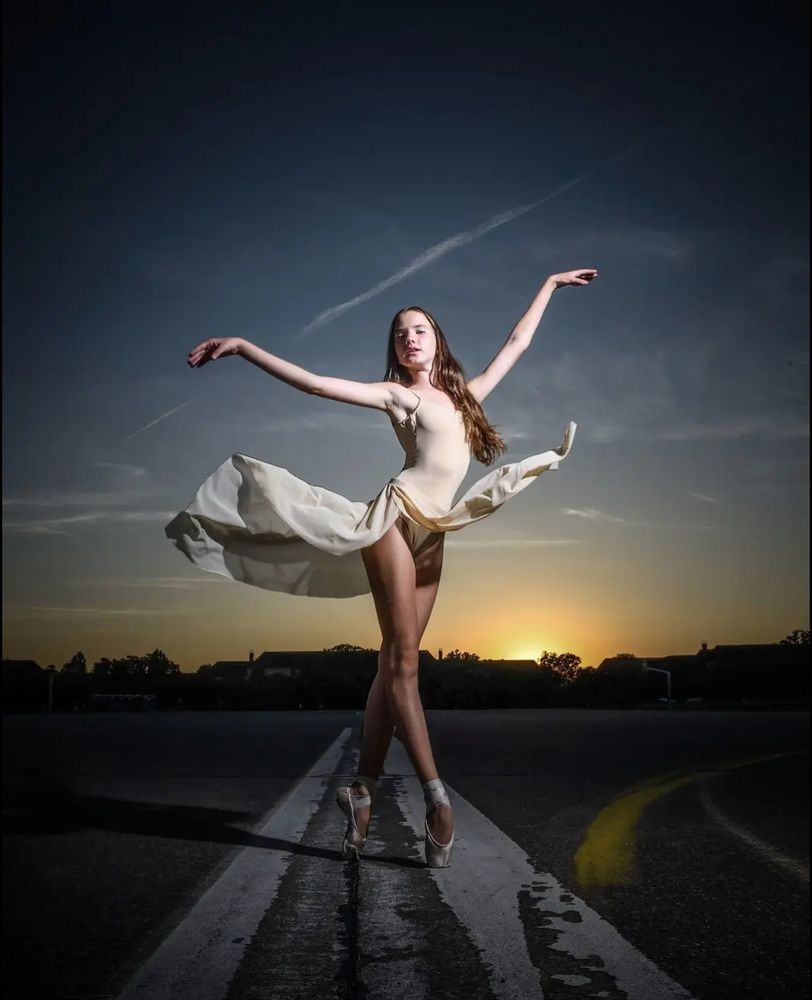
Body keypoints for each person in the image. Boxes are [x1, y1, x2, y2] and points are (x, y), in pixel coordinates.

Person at [166, 268, 597, 868]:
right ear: (395, 351)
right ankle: (437, 797)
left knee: (391, 664)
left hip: (436, 532)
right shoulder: (401, 396)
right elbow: (317, 385)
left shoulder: (465, 398)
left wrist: (549, 284)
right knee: (404, 662)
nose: (409, 339)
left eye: (419, 330)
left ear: (437, 340)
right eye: (400, 335)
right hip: (393, 521)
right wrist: (241, 347)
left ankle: (361, 791)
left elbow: (517, 344)